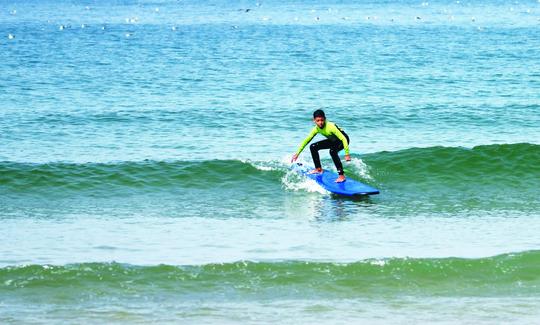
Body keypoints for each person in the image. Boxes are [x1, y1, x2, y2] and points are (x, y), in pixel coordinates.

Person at [291, 109, 351, 183]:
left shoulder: (330, 126)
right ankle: (318, 169)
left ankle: (341, 176)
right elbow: (306, 140)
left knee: (332, 151)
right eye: (318, 120)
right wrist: (297, 153)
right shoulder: (316, 129)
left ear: (325, 119)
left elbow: (343, 138)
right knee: (313, 146)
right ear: (314, 120)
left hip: (343, 140)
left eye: (322, 120)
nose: (320, 123)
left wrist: (347, 153)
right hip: (333, 140)